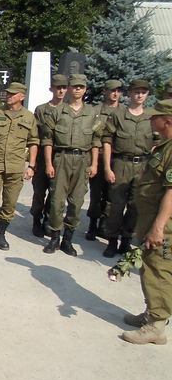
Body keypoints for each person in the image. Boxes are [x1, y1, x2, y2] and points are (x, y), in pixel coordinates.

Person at [120, 98, 172, 345]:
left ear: (167, 121)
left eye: (155, 117)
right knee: (149, 267)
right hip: (152, 219)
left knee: (158, 271)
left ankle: (157, 326)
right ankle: (152, 313)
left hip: (164, 226)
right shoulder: (164, 146)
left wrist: (158, 227)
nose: (151, 119)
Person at [41, 73, 103, 256]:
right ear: (68, 89)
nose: (77, 90)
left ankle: (67, 239)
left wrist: (94, 165)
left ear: (85, 90)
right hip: (61, 158)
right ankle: (54, 238)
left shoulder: (92, 113)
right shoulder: (57, 112)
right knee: (56, 201)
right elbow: (47, 141)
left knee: (76, 202)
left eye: (81, 87)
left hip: (83, 160)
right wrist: (48, 164)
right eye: (74, 86)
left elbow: (96, 141)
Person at [0, 82, 39, 250]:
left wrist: (31, 166)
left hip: (16, 167)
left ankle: (1, 235)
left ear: (22, 97)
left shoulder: (28, 117)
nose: (9, 96)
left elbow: (33, 142)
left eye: (13, 94)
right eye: (8, 93)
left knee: (10, 204)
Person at [100, 79, 155, 257]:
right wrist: (108, 167)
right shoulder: (118, 115)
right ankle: (111, 240)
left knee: (135, 206)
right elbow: (107, 141)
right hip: (121, 164)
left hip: (144, 165)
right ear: (129, 93)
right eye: (136, 92)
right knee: (115, 205)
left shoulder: (152, 117)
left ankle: (126, 240)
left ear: (147, 95)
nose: (139, 95)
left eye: (143, 92)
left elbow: (157, 143)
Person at [85, 79, 124, 241]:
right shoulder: (96, 111)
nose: (115, 94)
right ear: (105, 92)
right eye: (112, 90)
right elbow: (92, 135)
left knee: (112, 194)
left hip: (118, 158)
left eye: (118, 91)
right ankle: (93, 224)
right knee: (96, 194)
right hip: (99, 156)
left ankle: (104, 224)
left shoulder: (125, 112)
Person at [30, 74, 68, 237]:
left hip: (60, 156)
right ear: (51, 89)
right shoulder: (41, 110)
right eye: (57, 87)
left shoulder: (69, 110)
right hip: (41, 156)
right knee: (39, 191)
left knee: (56, 192)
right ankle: (36, 219)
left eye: (63, 88)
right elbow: (35, 135)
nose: (60, 91)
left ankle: (48, 218)